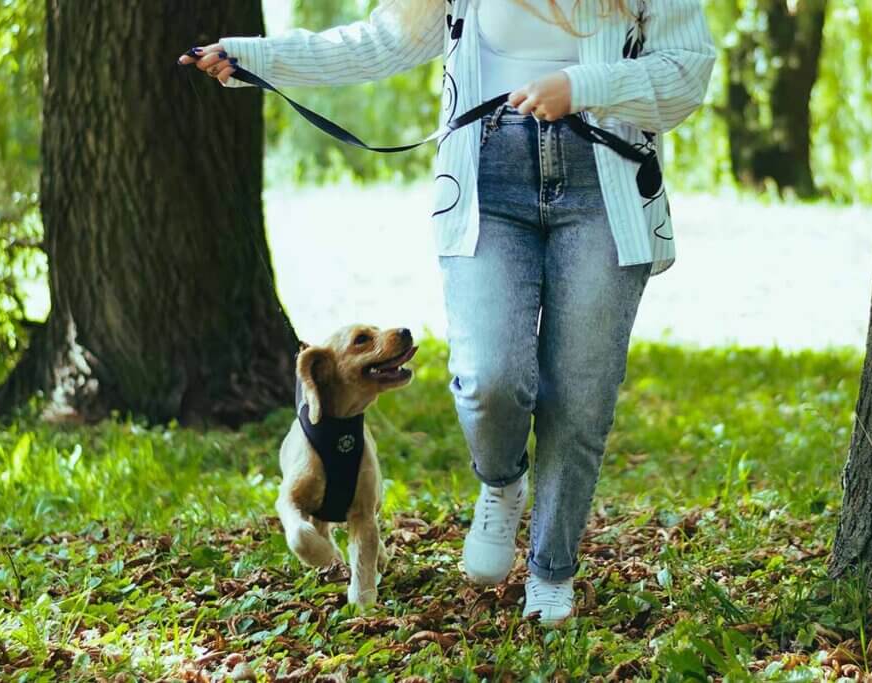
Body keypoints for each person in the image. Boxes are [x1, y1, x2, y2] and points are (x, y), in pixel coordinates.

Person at [178, 0, 714, 625]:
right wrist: (253, 57)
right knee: (488, 379)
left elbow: (687, 74)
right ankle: (502, 479)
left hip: (606, 184)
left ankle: (551, 568)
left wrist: (582, 86)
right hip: (488, 178)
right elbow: (380, 42)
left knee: (580, 396)